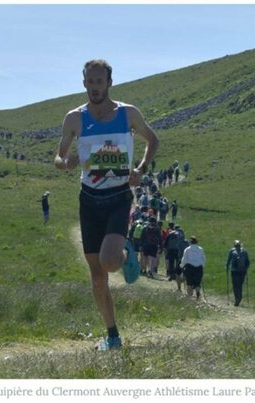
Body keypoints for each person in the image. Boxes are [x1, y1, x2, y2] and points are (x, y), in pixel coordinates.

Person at [54, 59, 159, 350]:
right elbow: (58, 156)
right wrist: (66, 163)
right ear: (84, 82)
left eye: (100, 81)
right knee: (98, 277)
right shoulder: (74, 118)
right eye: (90, 81)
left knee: (110, 262)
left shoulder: (127, 114)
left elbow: (153, 139)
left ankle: (125, 255)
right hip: (89, 200)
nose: (95, 87)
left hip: (118, 196)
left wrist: (140, 169)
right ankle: (112, 336)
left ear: (109, 83)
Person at [226, 240, 250, 306]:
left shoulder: (231, 251)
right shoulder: (245, 252)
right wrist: (246, 268)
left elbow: (228, 261)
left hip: (234, 271)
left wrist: (227, 267)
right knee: (240, 285)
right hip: (243, 271)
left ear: (234, 245)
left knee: (235, 285)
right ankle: (239, 297)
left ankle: (237, 298)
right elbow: (248, 262)